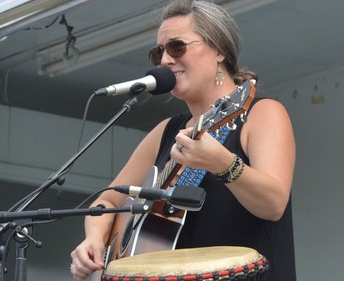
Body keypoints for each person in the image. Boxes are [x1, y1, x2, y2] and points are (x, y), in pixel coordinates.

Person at [70, 0, 296, 280]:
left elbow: (274, 204)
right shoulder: (166, 130)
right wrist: (94, 238)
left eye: (177, 47)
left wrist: (221, 162)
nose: (165, 60)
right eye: (159, 52)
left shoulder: (261, 113)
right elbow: (107, 199)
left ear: (219, 50)